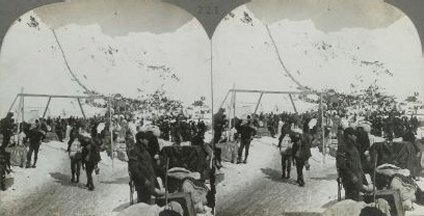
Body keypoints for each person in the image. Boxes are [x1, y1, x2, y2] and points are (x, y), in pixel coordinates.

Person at [128, 131, 165, 204]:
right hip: (143, 183)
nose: (148, 141)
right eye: (146, 139)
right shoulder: (135, 151)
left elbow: (149, 165)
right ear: (141, 140)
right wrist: (144, 180)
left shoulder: (145, 150)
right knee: (143, 203)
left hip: (149, 180)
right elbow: (133, 168)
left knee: (152, 202)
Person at [336, 127, 367, 201]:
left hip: (357, 179)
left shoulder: (353, 146)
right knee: (352, 201)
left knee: (357, 200)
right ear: (349, 136)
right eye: (354, 135)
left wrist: (363, 178)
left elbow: (357, 163)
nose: (356, 137)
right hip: (350, 180)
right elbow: (341, 164)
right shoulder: (342, 147)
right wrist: (351, 175)